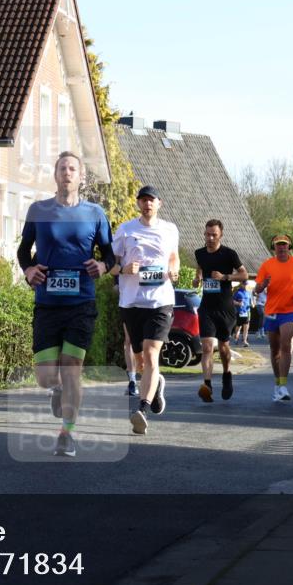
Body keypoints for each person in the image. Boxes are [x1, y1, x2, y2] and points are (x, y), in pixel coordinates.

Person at [16, 152, 114, 456]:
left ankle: (67, 434)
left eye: (73, 168)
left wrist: (104, 266)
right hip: (47, 303)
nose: (67, 173)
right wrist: (29, 270)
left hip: (81, 303)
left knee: (72, 369)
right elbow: (23, 252)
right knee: (46, 376)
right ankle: (56, 389)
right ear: (55, 175)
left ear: (81, 176)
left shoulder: (95, 213)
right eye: (62, 168)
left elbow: (110, 255)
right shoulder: (39, 210)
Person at [112, 185, 179, 435]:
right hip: (131, 302)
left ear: (159, 203)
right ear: (138, 203)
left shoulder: (170, 229)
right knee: (141, 362)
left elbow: (173, 256)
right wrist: (124, 269)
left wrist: (173, 268)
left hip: (160, 301)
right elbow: (111, 264)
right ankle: (157, 383)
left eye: (151, 200)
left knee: (151, 356)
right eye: (143, 200)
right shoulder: (126, 230)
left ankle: (143, 408)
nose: (147, 204)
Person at [192, 220, 248, 402]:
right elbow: (200, 267)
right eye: (207, 234)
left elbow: (244, 274)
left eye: (213, 235)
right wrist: (197, 278)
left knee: (224, 347)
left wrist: (225, 277)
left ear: (220, 235)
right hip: (206, 307)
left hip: (225, 309)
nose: (209, 238)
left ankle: (226, 374)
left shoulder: (229, 254)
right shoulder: (199, 253)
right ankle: (207, 385)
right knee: (207, 347)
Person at [254, 234, 293, 401]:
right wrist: (262, 285)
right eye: (278, 245)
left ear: (289, 247)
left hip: (290, 310)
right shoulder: (267, 265)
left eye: (284, 245)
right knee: (275, 350)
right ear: (274, 247)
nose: (281, 247)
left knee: (286, 345)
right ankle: (277, 383)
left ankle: (284, 386)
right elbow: (257, 289)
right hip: (271, 311)